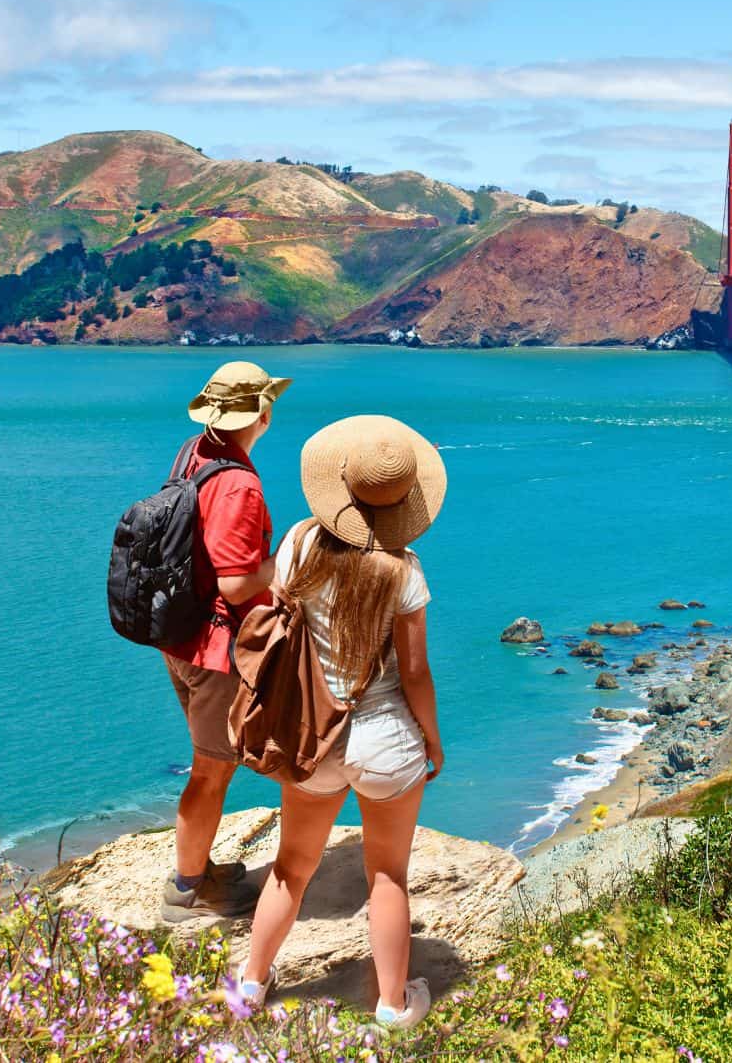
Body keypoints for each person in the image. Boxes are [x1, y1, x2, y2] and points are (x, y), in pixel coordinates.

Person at [238, 415, 447, 1031]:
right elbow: (415, 675)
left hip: (314, 736)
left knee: (291, 866)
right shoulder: (404, 573)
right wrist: (432, 742)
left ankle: (251, 985)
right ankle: (392, 1005)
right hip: (387, 743)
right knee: (387, 873)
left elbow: (282, 619)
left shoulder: (301, 544)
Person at [160, 361, 291, 924]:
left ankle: (200, 867)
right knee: (211, 769)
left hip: (181, 635)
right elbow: (237, 583)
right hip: (217, 651)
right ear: (262, 414)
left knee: (211, 765)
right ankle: (186, 890)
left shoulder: (194, 451)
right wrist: (282, 562)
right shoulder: (238, 483)